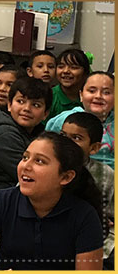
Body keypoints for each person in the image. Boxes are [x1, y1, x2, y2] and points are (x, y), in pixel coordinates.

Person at [0, 131, 103, 270]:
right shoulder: (3, 201)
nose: (26, 166)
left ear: (66, 177)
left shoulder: (84, 216)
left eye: (40, 161)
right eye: (25, 157)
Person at [0, 77, 52, 213]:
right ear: (9, 105)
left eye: (36, 105)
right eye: (20, 101)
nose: (27, 109)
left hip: (17, 194)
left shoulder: (36, 132)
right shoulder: (3, 134)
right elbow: (34, 175)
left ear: (45, 114)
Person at [60, 112, 114, 269]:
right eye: (63, 135)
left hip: (98, 240)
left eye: (76, 138)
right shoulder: (47, 167)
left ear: (94, 148)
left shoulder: (105, 175)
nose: (66, 142)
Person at [46, 71, 114, 169]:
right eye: (91, 91)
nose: (98, 96)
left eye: (106, 92)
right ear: (81, 95)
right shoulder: (63, 120)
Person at [43, 49, 90, 124]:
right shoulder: (49, 97)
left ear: (85, 73)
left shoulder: (90, 97)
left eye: (73, 67)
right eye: (61, 67)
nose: (66, 71)